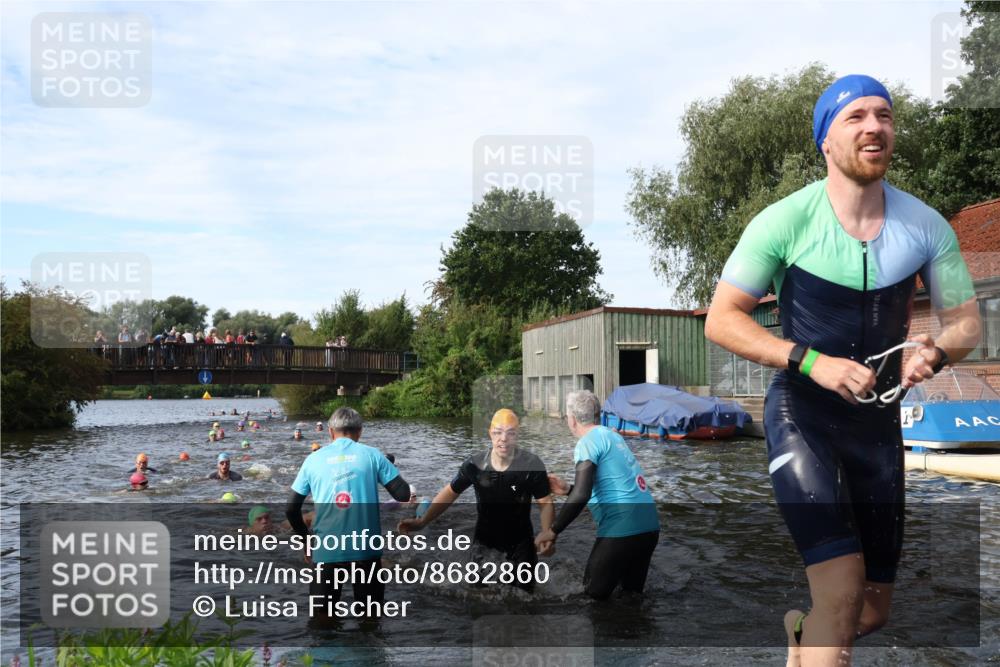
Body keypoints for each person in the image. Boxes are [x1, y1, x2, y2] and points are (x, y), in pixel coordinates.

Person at [702, 75, 982, 665]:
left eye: (883, 114)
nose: (874, 126)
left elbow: (966, 323)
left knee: (871, 611)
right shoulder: (783, 221)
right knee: (842, 592)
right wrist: (810, 360)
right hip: (803, 413)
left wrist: (936, 352)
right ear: (825, 140)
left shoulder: (926, 226)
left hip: (877, 427)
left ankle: (800, 633)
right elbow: (722, 320)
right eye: (855, 116)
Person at [399, 409, 554, 592]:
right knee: (477, 596)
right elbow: (450, 493)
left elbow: (545, 503)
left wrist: (547, 534)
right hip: (484, 541)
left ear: (517, 435)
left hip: (521, 542)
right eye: (498, 432)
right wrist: (422, 521)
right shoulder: (475, 465)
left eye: (510, 433)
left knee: (524, 600)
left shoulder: (531, 465)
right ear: (490, 433)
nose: (503, 438)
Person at [285, 407, 412, 622]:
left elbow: (290, 509)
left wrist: (306, 541)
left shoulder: (313, 460)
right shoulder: (373, 455)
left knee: (323, 623)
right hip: (365, 552)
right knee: (370, 621)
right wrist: (388, 467)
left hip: (326, 552)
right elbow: (403, 494)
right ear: (360, 432)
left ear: (330, 432)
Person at [535, 391, 660, 600]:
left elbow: (583, 494)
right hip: (649, 528)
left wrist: (553, 531)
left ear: (572, 420)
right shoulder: (612, 436)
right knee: (631, 598)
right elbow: (611, 487)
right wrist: (567, 490)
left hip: (622, 529)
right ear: (598, 415)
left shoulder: (587, 442)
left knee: (591, 599)